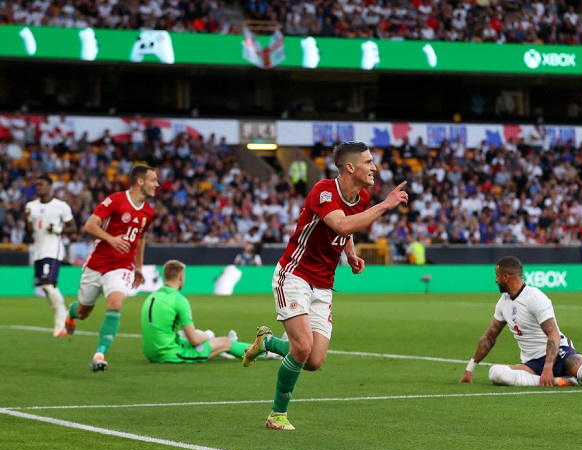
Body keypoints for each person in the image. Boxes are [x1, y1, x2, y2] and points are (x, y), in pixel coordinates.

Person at [242, 141, 409, 430]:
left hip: (323, 284)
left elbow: (349, 227)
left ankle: (266, 342)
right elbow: (341, 224)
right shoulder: (323, 190)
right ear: (350, 167)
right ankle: (277, 415)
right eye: (368, 162)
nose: (374, 167)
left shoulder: (362, 195)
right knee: (302, 347)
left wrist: (351, 253)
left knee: (314, 360)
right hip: (294, 275)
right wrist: (386, 205)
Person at [460, 256, 582, 387]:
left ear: (506, 277)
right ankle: (559, 381)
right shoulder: (503, 302)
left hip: (560, 353)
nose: (495, 280)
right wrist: (470, 368)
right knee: (496, 373)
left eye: (496, 276)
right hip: (531, 363)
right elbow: (490, 337)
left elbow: (553, 334)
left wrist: (548, 367)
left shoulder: (535, 297)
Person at [65, 165, 159, 372]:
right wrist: (111, 239)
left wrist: (139, 266)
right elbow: (89, 226)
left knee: (115, 303)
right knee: (83, 311)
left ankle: (100, 354)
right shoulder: (115, 200)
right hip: (97, 263)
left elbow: (141, 238)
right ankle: (70, 314)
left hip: (122, 266)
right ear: (140, 181)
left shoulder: (148, 212)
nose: (157, 184)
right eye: (154, 180)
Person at [141, 260, 278, 363]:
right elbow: (194, 341)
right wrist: (208, 335)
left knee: (196, 334)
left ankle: (221, 349)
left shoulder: (152, 296)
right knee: (224, 342)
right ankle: (268, 353)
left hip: (151, 352)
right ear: (181, 276)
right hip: (168, 354)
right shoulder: (179, 300)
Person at [24, 175, 77, 337]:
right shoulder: (31, 206)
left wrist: (57, 230)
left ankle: (61, 323)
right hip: (39, 251)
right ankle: (65, 319)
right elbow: (28, 233)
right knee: (47, 288)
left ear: (50, 186)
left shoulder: (60, 206)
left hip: (53, 250)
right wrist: (27, 220)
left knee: (47, 285)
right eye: (37, 185)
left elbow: (73, 228)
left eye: (41, 185)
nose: (38, 187)